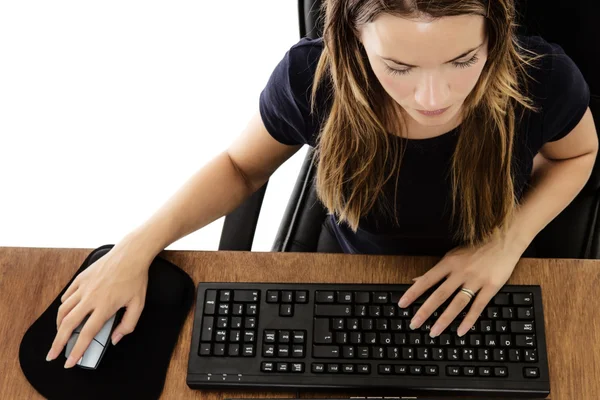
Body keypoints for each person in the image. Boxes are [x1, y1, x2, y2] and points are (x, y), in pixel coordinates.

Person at [47, 0, 597, 369]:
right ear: (351, 40)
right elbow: (241, 167)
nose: (433, 98)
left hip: (499, 266)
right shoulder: (312, 78)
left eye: (462, 60)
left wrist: (502, 245)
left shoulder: (541, 75)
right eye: (399, 67)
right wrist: (133, 250)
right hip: (358, 267)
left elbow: (579, 155)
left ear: (495, 35)